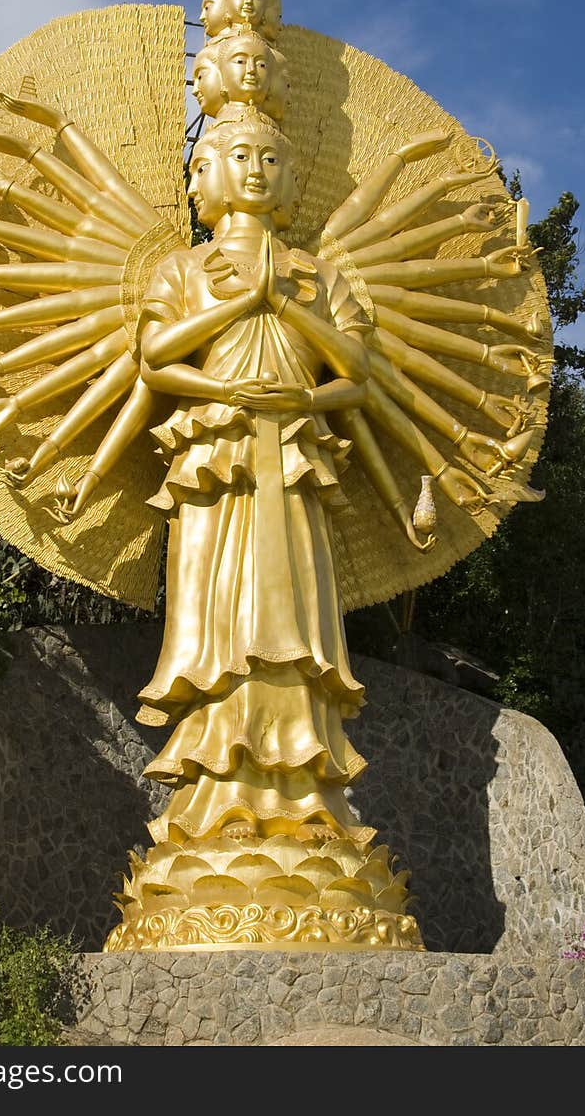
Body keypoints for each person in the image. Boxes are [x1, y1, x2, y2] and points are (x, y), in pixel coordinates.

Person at [133, 110, 375, 846]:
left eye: (272, 157)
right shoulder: (181, 269)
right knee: (217, 619)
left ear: (292, 178)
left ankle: (307, 802)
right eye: (238, 154)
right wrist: (243, 303)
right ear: (204, 174)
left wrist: (298, 365)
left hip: (297, 456)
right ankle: (214, 805)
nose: (256, 169)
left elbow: (355, 375)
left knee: (295, 618)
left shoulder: (321, 277)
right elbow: (155, 358)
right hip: (213, 460)